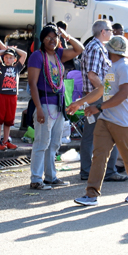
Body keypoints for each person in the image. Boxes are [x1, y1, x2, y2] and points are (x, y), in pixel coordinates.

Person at [67, 35, 128, 206]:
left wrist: (99, 107)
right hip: (106, 118)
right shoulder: (113, 66)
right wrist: (79, 103)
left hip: (123, 121)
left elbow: (123, 94)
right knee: (99, 155)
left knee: (127, 154)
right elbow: (101, 90)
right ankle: (91, 194)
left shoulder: (124, 67)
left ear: (111, 50)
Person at [28, 23, 83, 189]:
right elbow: (32, 83)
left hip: (59, 105)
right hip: (44, 104)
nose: (52, 40)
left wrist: (67, 36)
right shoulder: (37, 56)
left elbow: (79, 49)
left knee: (54, 143)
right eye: (48, 37)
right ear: (42, 39)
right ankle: (36, 179)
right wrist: (38, 108)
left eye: (55, 37)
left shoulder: (59, 53)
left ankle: (51, 177)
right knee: (41, 142)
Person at [81, 20, 124, 183]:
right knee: (104, 133)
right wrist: (105, 93)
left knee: (95, 134)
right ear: (103, 32)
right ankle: (105, 171)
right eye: (111, 30)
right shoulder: (95, 48)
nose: (113, 33)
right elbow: (92, 75)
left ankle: (92, 170)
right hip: (97, 97)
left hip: (98, 96)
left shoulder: (99, 47)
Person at [0, 46, 26, 150]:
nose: (8, 59)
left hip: (12, 96)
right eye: (6, 57)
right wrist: (7, 49)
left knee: (9, 120)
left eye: (11, 57)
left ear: (15, 59)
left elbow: (24, 54)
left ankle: (6, 140)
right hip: (2, 95)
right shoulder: (1, 67)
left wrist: (14, 50)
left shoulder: (17, 68)